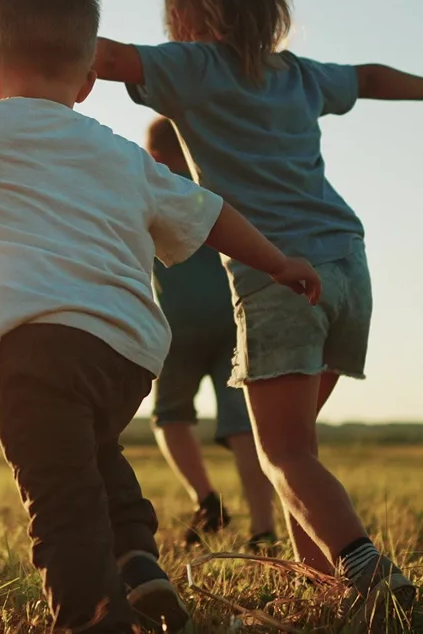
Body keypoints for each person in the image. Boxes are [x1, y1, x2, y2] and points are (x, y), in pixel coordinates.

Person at [0, 0, 423, 616]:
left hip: (278, 274)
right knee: (297, 449)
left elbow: (96, 55)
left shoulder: (194, 67)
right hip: (347, 266)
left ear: (187, 11)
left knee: (285, 454)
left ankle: (364, 567)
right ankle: (316, 585)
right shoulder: (298, 73)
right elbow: (375, 76)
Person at [0, 0, 320, 634]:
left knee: (61, 501)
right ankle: (139, 560)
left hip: (30, 347)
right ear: (85, 83)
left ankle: (91, 615)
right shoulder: (119, 153)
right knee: (90, 455)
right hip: (127, 354)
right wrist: (278, 262)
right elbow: (212, 214)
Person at [141, 117, 278, 552]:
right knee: (243, 426)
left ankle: (207, 500)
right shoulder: (219, 183)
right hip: (234, 318)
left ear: (156, 154)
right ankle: (263, 528)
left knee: (170, 416)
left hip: (177, 323)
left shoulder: (150, 187)